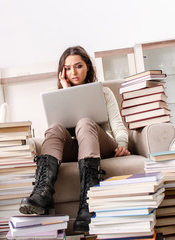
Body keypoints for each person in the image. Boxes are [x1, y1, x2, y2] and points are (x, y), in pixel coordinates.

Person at [19, 46, 131, 232]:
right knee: (54, 128)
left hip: (101, 145)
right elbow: (59, 133)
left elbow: (118, 125)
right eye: (68, 68)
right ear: (63, 72)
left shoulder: (104, 92)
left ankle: (88, 202)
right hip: (75, 150)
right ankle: (42, 193)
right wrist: (66, 92)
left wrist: (122, 144)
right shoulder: (57, 95)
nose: (73, 72)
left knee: (85, 122)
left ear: (87, 66)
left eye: (78, 66)